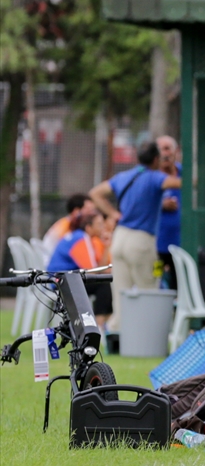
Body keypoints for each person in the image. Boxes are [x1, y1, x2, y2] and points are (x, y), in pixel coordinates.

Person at [89, 141, 183, 338]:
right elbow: (178, 183)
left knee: (120, 293)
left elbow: (95, 193)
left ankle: (117, 335)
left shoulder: (124, 176)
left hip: (120, 239)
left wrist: (113, 213)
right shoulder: (155, 177)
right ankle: (146, 337)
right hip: (141, 241)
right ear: (156, 159)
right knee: (148, 289)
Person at [46, 211, 113, 330]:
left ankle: (103, 326)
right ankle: (99, 326)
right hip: (60, 283)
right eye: (99, 224)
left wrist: (106, 246)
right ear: (89, 227)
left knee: (104, 282)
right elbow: (91, 272)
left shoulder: (83, 237)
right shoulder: (81, 239)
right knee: (104, 285)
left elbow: (99, 268)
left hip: (63, 279)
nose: (103, 228)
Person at [155, 136, 182, 289]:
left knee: (179, 283)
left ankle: (178, 311)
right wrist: (161, 204)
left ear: (175, 151)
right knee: (155, 278)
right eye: (160, 150)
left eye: (167, 148)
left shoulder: (185, 173)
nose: (164, 153)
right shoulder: (152, 177)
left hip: (180, 243)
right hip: (157, 245)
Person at [41, 194, 97, 264]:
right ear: (76, 212)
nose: (93, 214)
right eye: (89, 209)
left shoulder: (72, 226)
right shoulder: (65, 228)